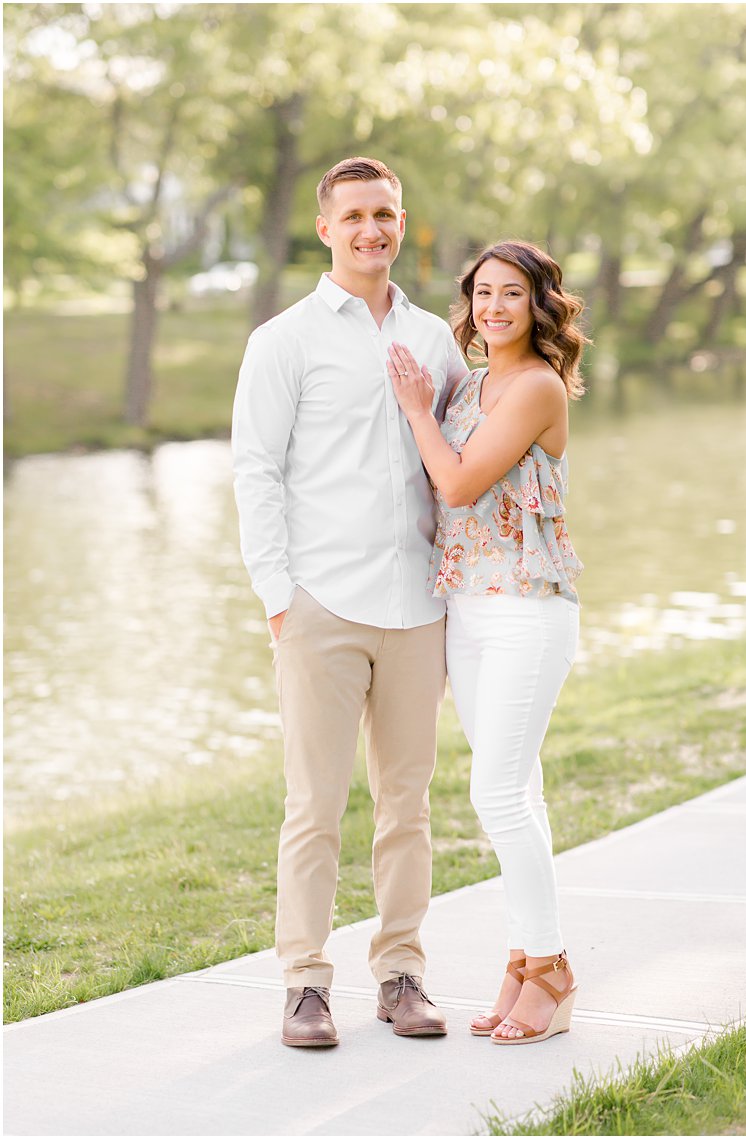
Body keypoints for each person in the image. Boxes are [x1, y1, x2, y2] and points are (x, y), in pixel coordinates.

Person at [232, 156, 471, 1047]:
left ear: (404, 224)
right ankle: (305, 983)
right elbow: (255, 471)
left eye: (387, 214)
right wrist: (278, 596)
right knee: (316, 806)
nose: (372, 229)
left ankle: (402, 973)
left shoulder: (437, 342)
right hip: (320, 605)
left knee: (407, 805)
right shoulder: (284, 341)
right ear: (326, 229)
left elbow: (458, 470)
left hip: (417, 608)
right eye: (355, 216)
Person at [386, 238, 586, 1045]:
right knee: (518, 795)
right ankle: (524, 959)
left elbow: (461, 481)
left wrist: (412, 408)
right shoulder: (473, 383)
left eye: (512, 293)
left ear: (539, 305)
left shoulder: (537, 386)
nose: (494, 307)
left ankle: (553, 968)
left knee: (496, 796)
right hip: (466, 607)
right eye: (482, 293)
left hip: (526, 609)